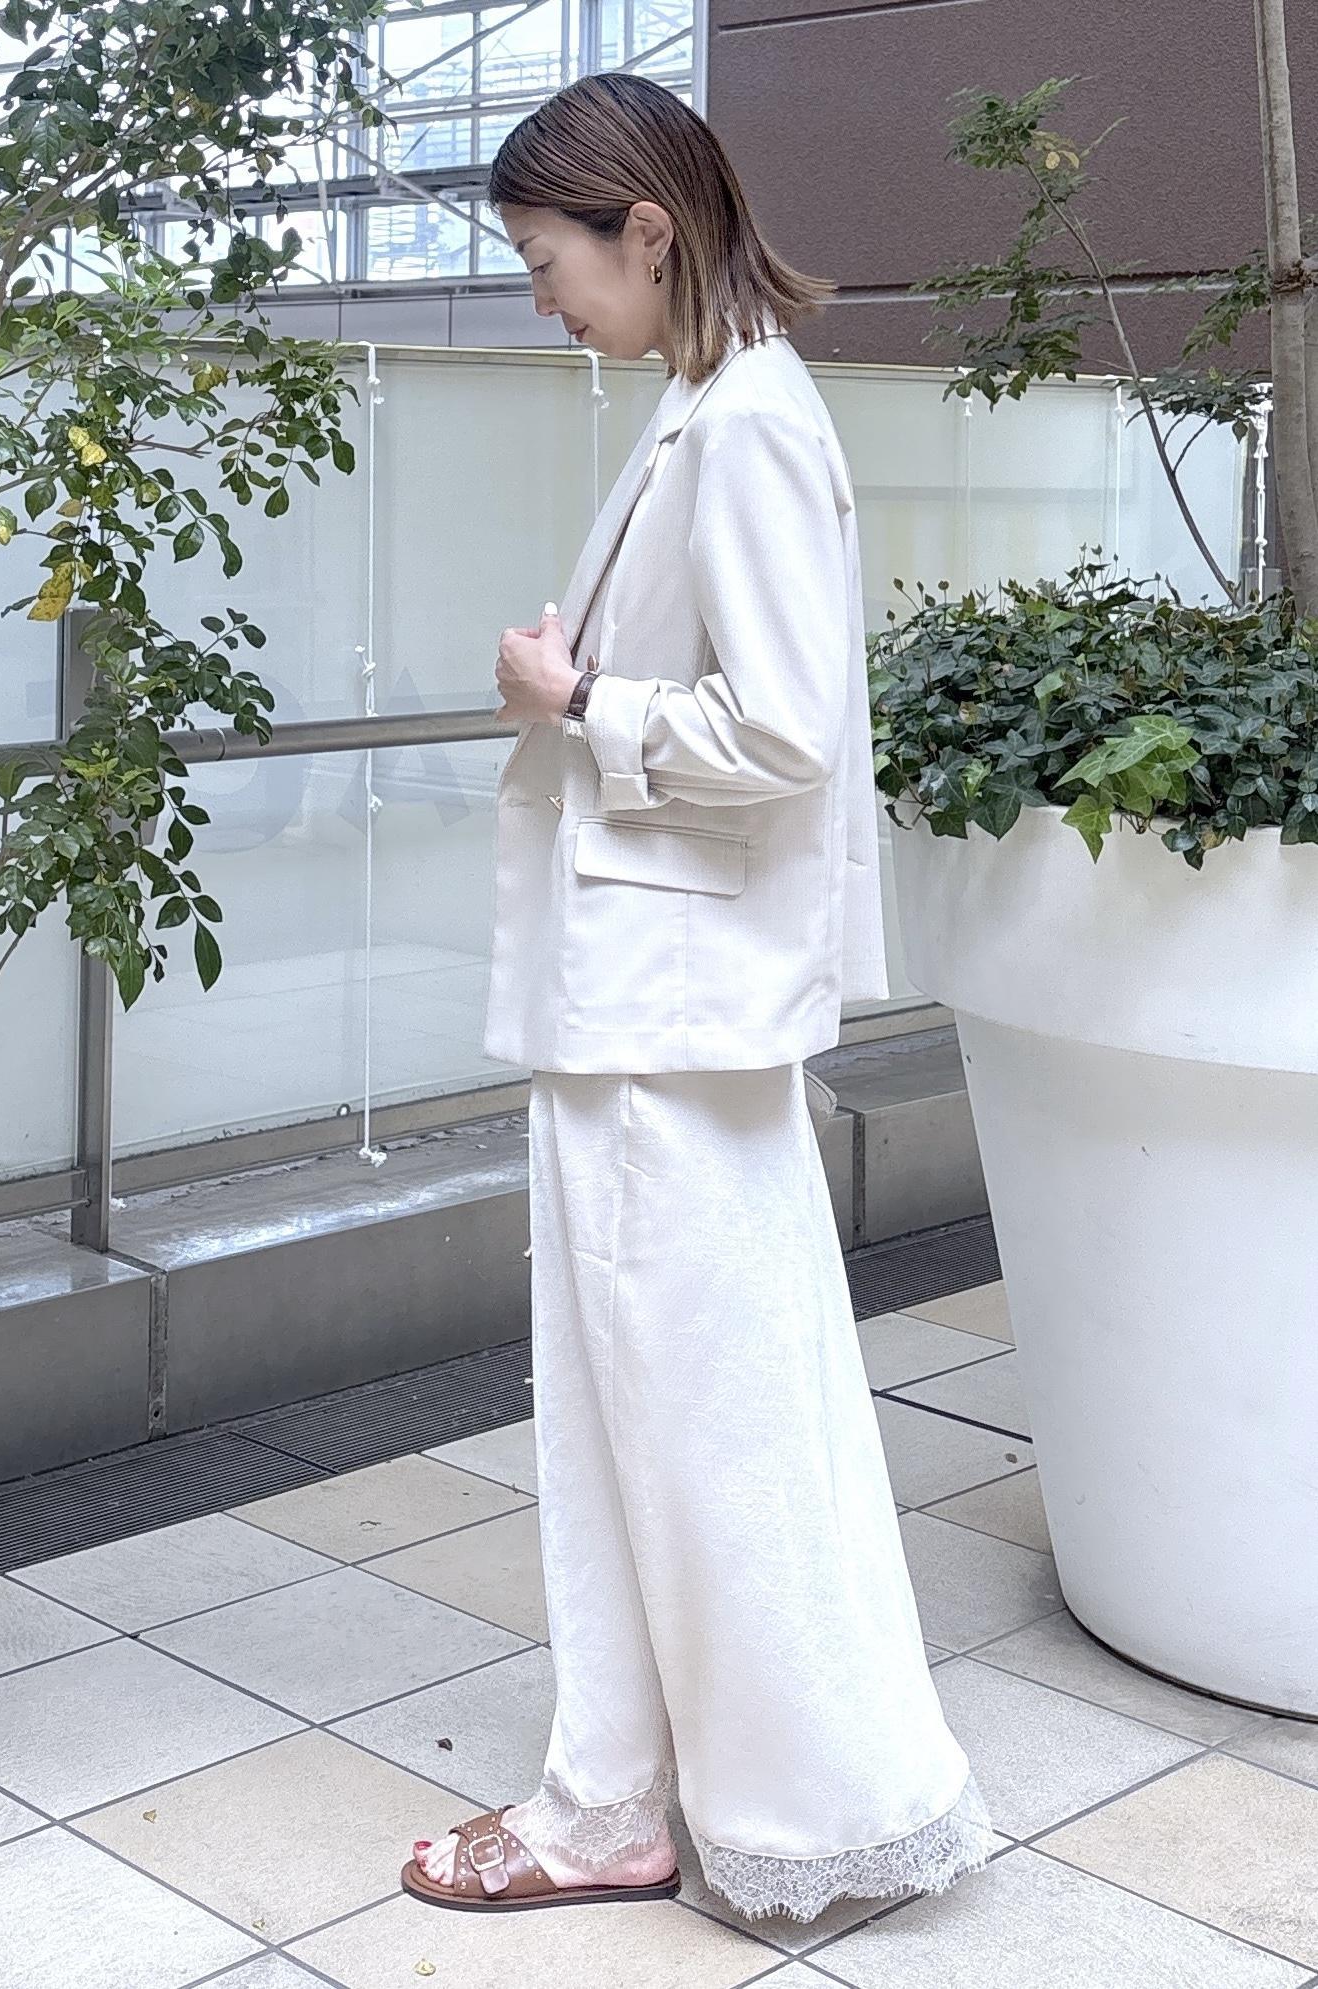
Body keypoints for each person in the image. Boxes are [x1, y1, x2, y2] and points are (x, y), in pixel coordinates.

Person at [402, 69, 992, 1925]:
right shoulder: (713, 407)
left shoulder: (742, 425)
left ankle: (686, 1807)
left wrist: (576, 697)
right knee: (681, 1413)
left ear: (646, 230)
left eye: (545, 258)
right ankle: (662, 1790)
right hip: (656, 1002)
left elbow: (788, 732)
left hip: (665, 1010)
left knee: (686, 1422)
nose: (541, 297)